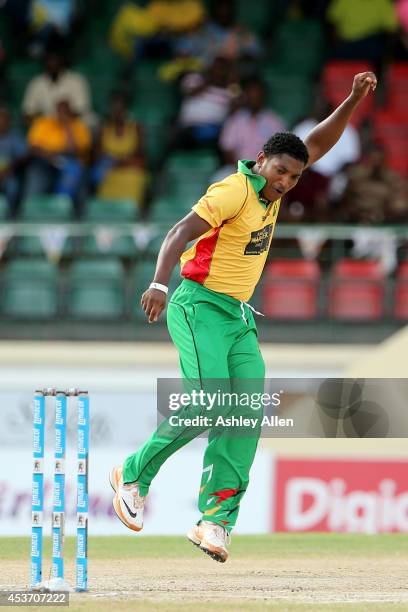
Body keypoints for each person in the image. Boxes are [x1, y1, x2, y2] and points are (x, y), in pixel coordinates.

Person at [110, 72, 377, 562]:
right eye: (279, 171)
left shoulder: (282, 180)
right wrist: (157, 284)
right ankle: (133, 474)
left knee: (246, 412)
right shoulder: (235, 189)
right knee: (210, 402)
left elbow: (316, 140)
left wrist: (353, 99)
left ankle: (215, 522)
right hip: (197, 304)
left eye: (294, 176)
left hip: (236, 316)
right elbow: (179, 230)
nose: (285, 182)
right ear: (261, 163)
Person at [214, 76, 285, 181]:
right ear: (245, 95)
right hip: (238, 169)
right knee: (218, 178)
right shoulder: (235, 120)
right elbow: (228, 150)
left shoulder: (274, 121)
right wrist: (244, 170)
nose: (253, 96)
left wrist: (261, 169)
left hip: (266, 170)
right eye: (250, 92)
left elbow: (281, 152)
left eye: (257, 93)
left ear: (263, 95)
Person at [25, 98, 91, 205]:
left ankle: (60, 205)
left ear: (70, 112)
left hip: (67, 160)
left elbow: (77, 151)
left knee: (74, 169)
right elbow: (33, 147)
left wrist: (67, 128)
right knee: (35, 174)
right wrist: (49, 156)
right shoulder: (43, 123)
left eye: (65, 112)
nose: (62, 114)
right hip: (44, 161)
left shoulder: (78, 126)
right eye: (60, 111)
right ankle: (30, 208)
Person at [91, 92, 148, 206]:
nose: (117, 112)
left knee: (135, 177)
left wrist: (121, 161)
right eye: (114, 109)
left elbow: (141, 155)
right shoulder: (103, 128)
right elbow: (97, 154)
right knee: (98, 174)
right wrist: (111, 160)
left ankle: (134, 210)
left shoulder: (136, 127)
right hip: (108, 167)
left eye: (120, 109)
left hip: (128, 166)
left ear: (126, 110)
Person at [22, 51, 92, 126]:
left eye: (55, 60)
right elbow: (27, 112)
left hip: (76, 123)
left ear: (62, 62)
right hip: (48, 127)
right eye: (49, 61)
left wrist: (62, 122)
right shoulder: (36, 83)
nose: (52, 64)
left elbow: (82, 110)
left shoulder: (76, 80)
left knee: (92, 124)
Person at [0, 104, 28, 217]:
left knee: (13, 186)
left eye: (3, 120)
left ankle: (11, 216)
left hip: (9, 175)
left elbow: (23, 156)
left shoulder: (14, 136)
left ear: (8, 122)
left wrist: (8, 169)